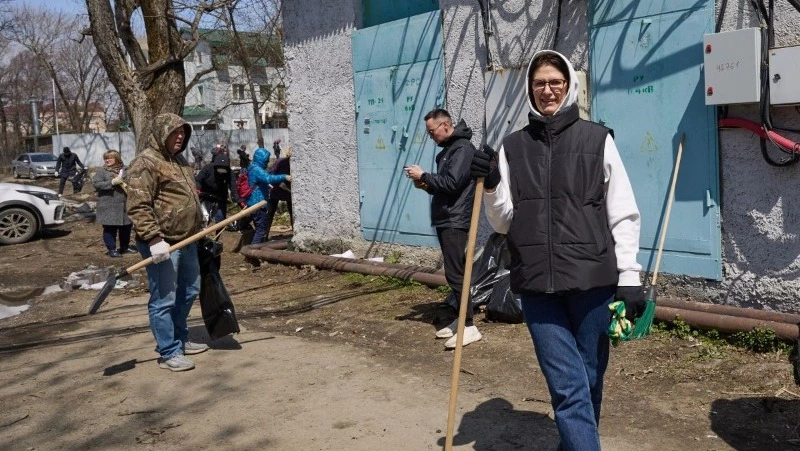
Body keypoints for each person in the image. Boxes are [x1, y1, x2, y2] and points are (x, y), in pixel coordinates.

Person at [473, 50, 644, 451]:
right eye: (539, 84)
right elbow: (502, 223)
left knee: (588, 380)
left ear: (569, 86)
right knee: (568, 387)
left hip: (592, 283)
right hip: (537, 287)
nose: (547, 90)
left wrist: (630, 275)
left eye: (555, 82)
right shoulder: (512, 147)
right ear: (529, 90)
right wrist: (494, 185)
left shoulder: (597, 139)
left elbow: (623, 211)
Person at [126, 113, 208, 372]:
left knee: (191, 290)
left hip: (188, 239)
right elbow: (138, 205)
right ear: (162, 133)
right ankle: (168, 351)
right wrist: (153, 238)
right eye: (175, 132)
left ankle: (180, 338)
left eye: (183, 132)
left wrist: (198, 212)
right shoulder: (145, 162)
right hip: (163, 243)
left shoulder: (180, 160)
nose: (180, 136)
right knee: (164, 299)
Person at [404, 108, 480, 349]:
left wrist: (425, 174)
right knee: (453, 272)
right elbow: (443, 186)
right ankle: (462, 320)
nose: (431, 137)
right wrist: (424, 184)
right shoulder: (450, 150)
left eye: (432, 131)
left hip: (455, 218)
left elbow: (453, 183)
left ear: (445, 125)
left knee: (457, 273)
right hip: (447, 216)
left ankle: (469, 326)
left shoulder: (462, 149)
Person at [91, 150, 134, 258]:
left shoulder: (126, 170)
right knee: (110, 228)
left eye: (110, 158)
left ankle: (125, 247)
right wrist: (111, 183)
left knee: (126, 227)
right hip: (108, 205)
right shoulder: (102, 171)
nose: (107, 160)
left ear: (117, 159)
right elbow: (96, 184)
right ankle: (112, 249)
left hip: (124, 204)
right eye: (106, 158)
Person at [245, 145, 291, 244]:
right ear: (261, 160)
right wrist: (285, 177)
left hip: (254, 202)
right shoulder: (257, 170)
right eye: (266, 160)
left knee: (260, 228)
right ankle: (253, 253)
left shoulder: (252, 167)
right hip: (258, 203)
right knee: (261, 230)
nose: (267, 163)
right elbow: (269, 178)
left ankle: (257, 249)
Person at [195, 150, 238, 224]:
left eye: (223, 169)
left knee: (220, 219)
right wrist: (197, 188)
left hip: (220, 197)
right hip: (206, 195)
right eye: (219, 169)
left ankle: (218, 234)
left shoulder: (230, 173)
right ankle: (202, 233)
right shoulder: (208, 168)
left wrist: (239, 200)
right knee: (204, 218)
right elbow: (198, 180)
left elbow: (233, 188)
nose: (221, 172)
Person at [264, 154, 293, 235]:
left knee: (293, 213)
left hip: (288, 192)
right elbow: (271, 173)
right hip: (276, 189)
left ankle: (296, 233)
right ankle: (264, 236)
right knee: (270, 213)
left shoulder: (295, 163)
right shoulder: (281, 161)